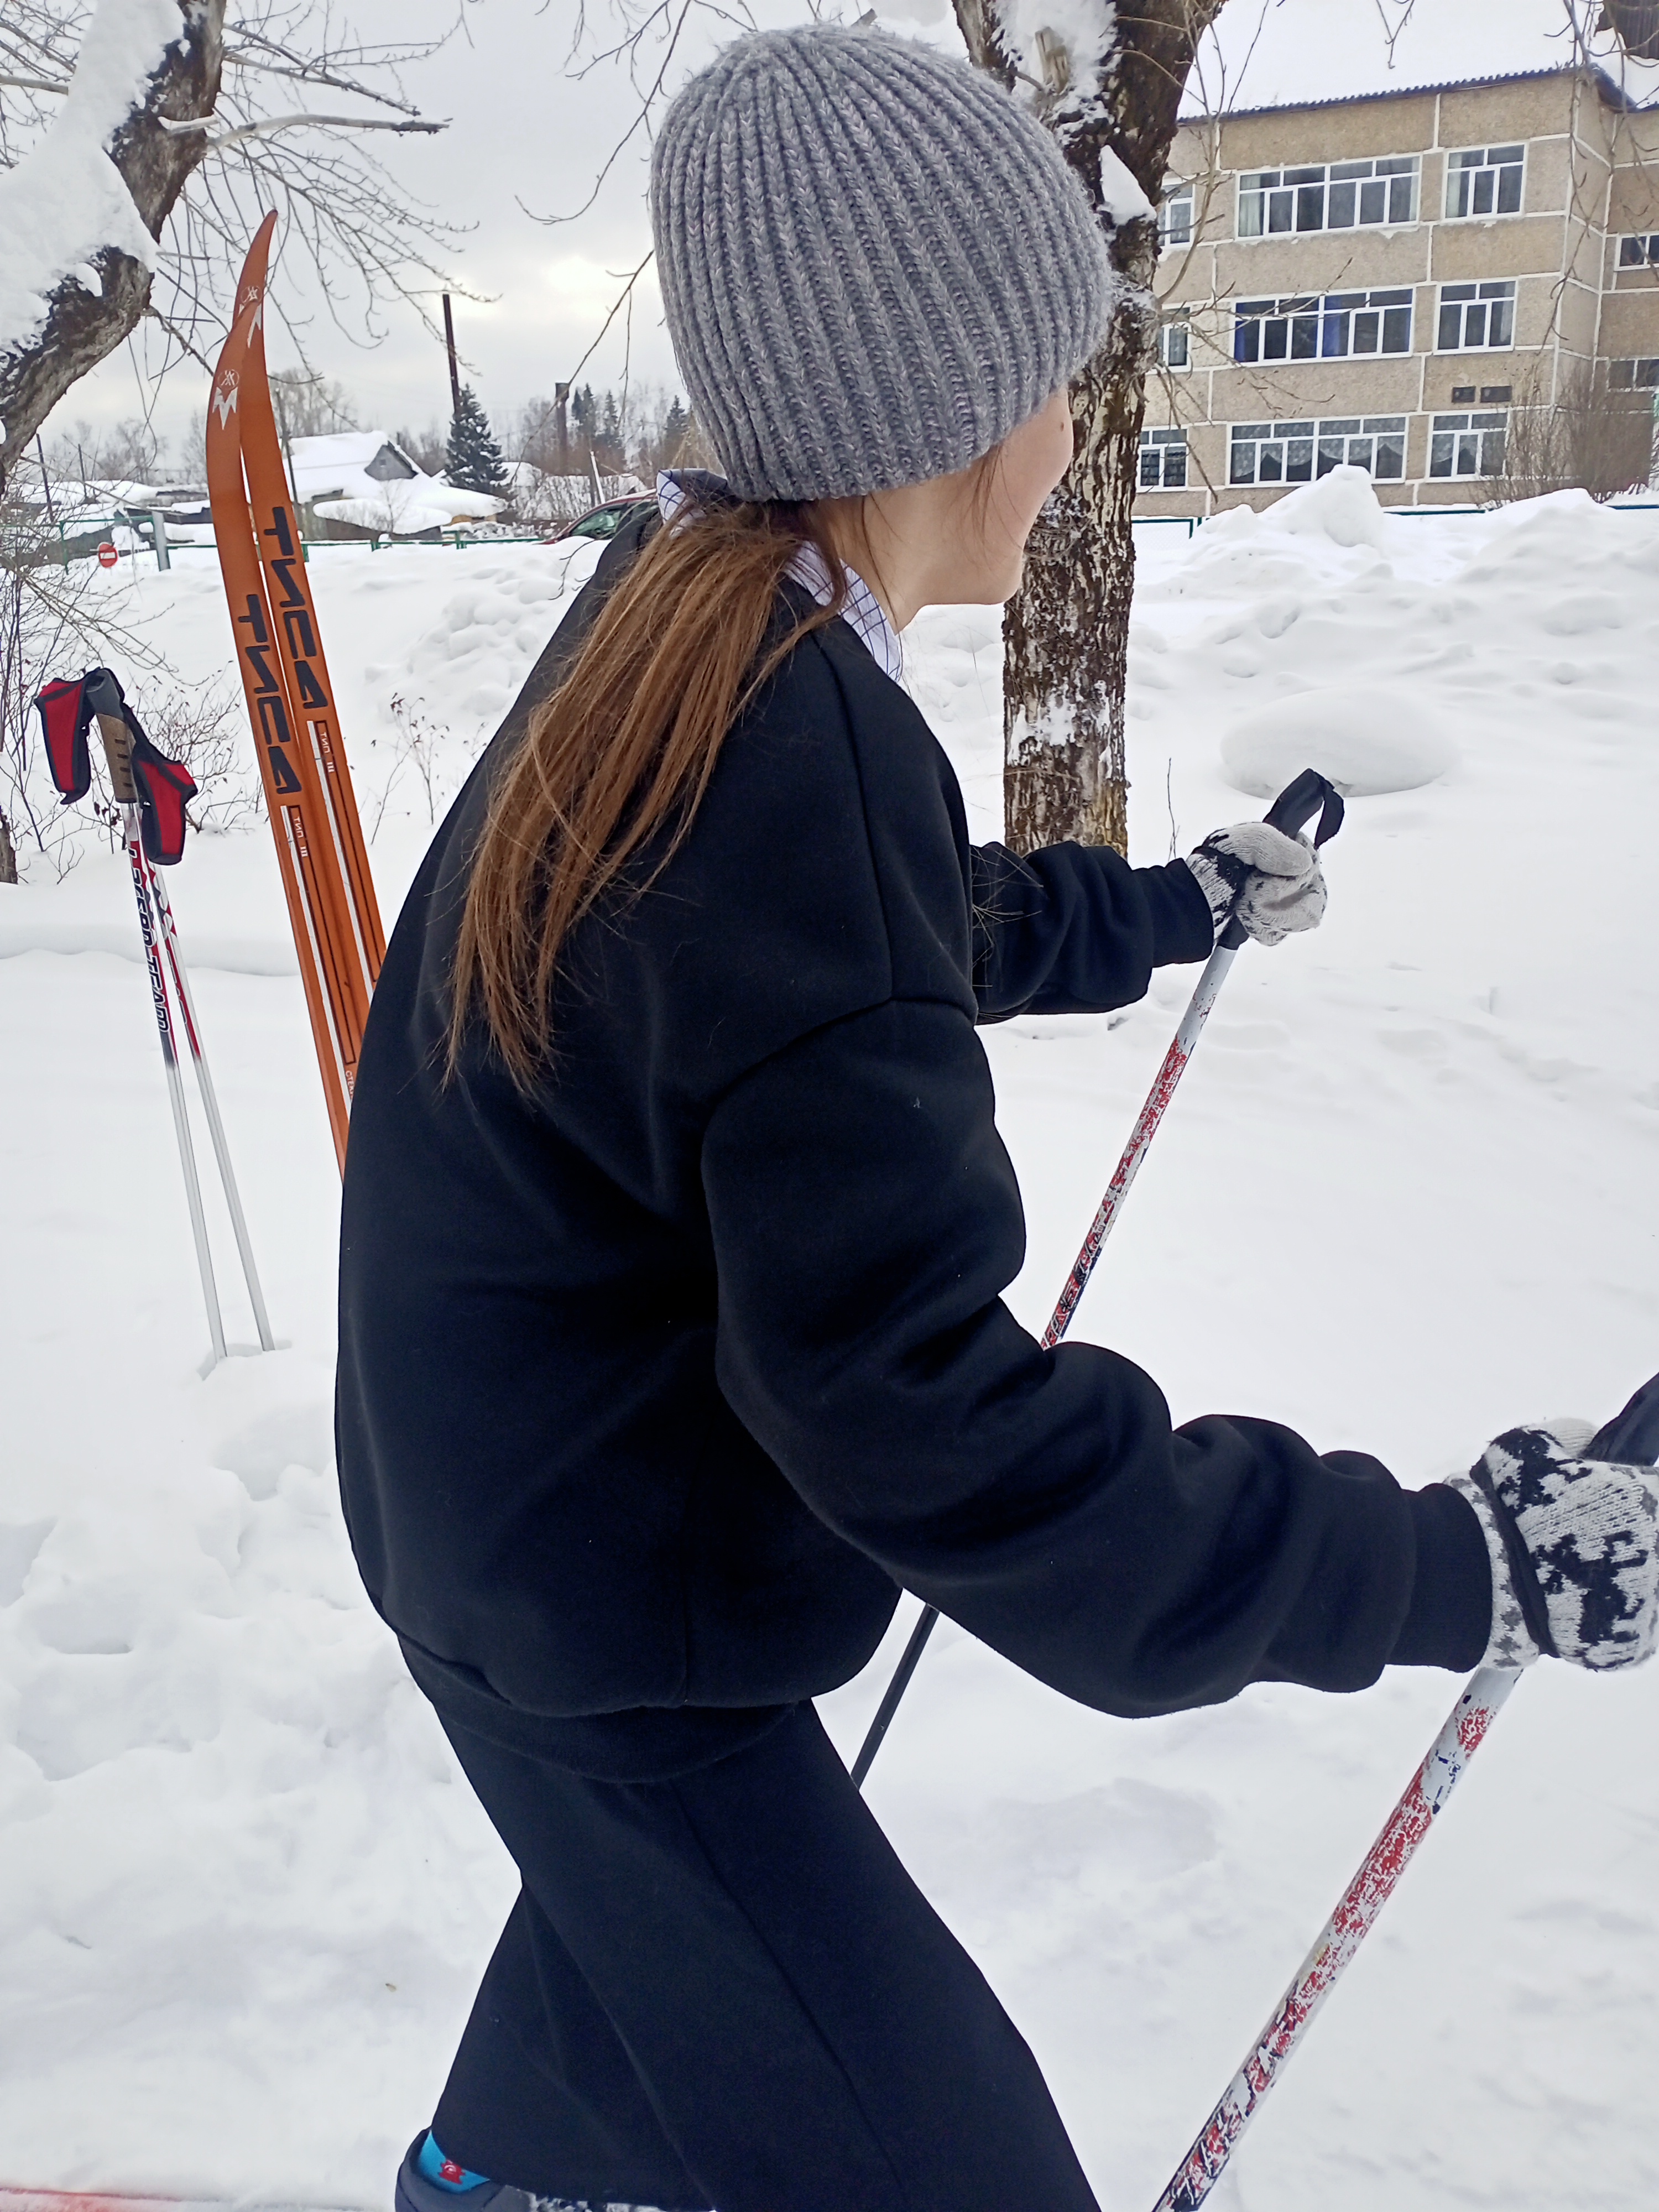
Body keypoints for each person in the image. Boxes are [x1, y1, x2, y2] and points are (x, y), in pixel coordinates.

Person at [335, 25, 1659, 2212]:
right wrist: (1461, 1559)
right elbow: (930, 1428)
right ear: (950, 403)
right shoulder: (787, 734)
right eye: (1064, 372)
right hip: (616, 1631)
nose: (1071, 433)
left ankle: (507, 2172)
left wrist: (1162, 909)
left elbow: (849, 951)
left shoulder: (690, 633)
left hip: (517, 1555)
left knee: (659, 1960)